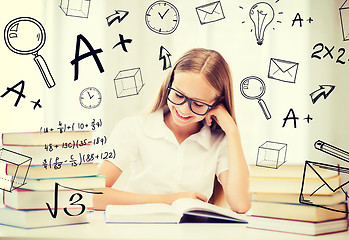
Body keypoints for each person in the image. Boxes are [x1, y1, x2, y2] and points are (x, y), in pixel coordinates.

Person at [93, 48, 251, 213]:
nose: (184, 109)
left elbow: (241, 205)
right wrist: (170, 200)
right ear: (169, 84)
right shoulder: (134, 128)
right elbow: (92, 194)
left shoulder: (219, 141)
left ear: (217, 103)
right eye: (178, 95)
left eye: (198, 104)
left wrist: (232, 131)